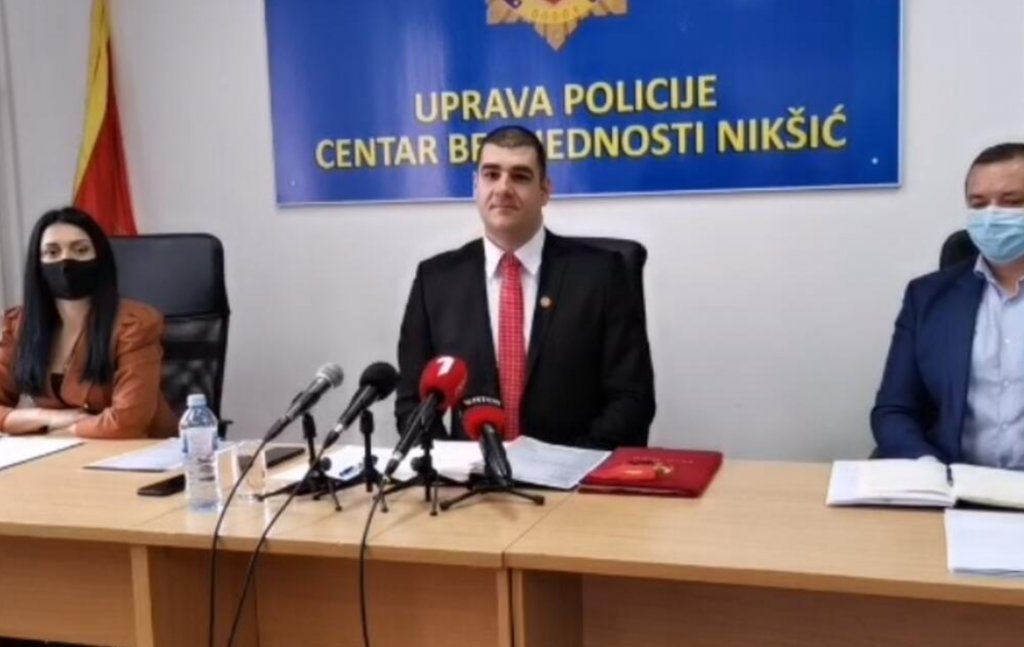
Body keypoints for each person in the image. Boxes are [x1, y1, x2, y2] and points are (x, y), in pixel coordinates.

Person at [396, 125, 655, 449]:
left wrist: (570, 467)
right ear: (476, 185)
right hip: (467, 478)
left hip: (576, 473)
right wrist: (449, 467)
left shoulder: (601, 275)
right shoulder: (435, 280)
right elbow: (412, 403)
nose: (503, 188)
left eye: (519, 176)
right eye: (491, 175)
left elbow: (632, 399)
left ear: (544, 191)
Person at [872, 142, 1024, 467]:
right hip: (955, 483)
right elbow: (895, 410)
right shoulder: (927, 297)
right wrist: (925, 465)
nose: (992, 215)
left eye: (1011, 201)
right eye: (978, 203)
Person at [0, 207, 177, 438]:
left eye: (81, 250)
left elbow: (128, 421)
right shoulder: (20, 326)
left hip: (140, 450)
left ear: (99, 259)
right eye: (52, 252)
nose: (66, 261)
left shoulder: (134, 324)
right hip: (67, 452)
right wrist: (50, 418)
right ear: (37, 265)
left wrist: (62, 432)